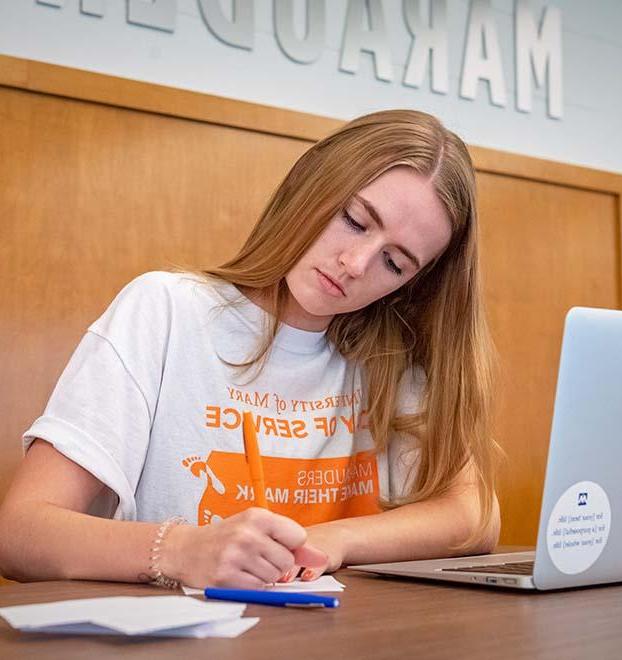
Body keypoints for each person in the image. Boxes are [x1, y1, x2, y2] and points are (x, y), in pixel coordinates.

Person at [0, 109, 501, 590]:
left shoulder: (391, 357)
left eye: (394, 263)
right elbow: (20, 533)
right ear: (312, 184)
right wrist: (181, 550)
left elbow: (474, 517)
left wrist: (334, 540)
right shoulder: (166, 309)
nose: (354, 263)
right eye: (353, 219)